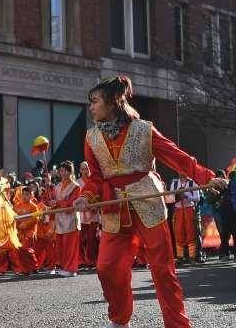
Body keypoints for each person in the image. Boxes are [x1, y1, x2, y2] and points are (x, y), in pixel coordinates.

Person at [74, 76, 227, 328]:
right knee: (106, 267)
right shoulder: (90, 137)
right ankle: (120, 320)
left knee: (163, 270)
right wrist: (84, 196)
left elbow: (176, 156)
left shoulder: (143, 129)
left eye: (94, 101)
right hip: (114, 207)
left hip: (149, 203)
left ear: (112, 102)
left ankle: (177, 325)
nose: (90, 107)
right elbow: (95, 177)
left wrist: (208, 178)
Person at [47, 161, 81, 277]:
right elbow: (54, 201)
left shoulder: (75, 187)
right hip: (60, 219)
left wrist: (57, 202)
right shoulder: (57, 186)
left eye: (65, 170)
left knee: (70, 245)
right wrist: (52, 202)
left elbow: (71, 205)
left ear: (70, 171)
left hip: (71, 219)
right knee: (61, 246)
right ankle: (65, 266)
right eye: (61, 170)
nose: (63, 173)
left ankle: (71, 269)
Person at [165, 175, 199, 265]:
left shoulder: (192, 183)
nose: (181, 173)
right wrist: (177, 197)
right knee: (179, 232)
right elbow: (169, 199)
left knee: (190, 232)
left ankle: (192, 257)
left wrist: (187, 196)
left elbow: (197, 198)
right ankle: (180, 257)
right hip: (179, 210)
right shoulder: (174, 184)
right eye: (179, 170)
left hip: (189, 209)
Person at [77, 161, 99, 269]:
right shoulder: (77, 183)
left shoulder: (95, 181)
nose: (85, 171)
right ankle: (81, 260)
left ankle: (91, 261)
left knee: (92, 239)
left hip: (93, 214)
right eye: (83, 168)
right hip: (81, 215)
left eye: (87, 168)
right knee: (80, 239)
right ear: (80, 170)